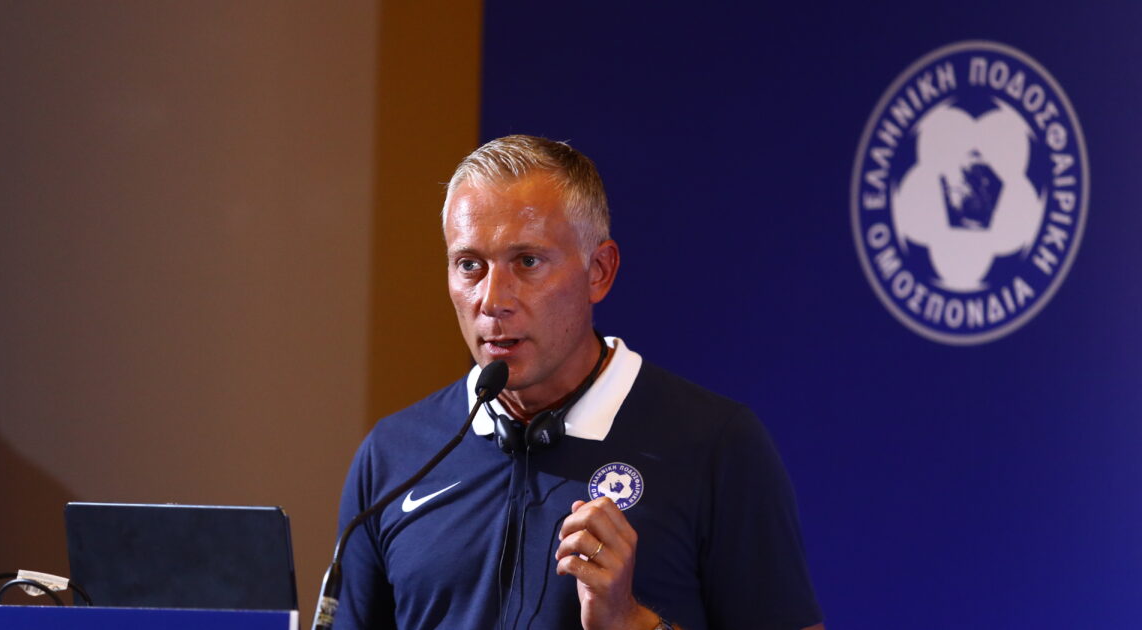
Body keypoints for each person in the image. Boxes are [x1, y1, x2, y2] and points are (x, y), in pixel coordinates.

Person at [335, 135, 824, 629]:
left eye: (527, 262)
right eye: (469, 265)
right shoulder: (393, 456)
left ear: (599, 271)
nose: (492, 300)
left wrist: (631, 622)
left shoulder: (717, 445)